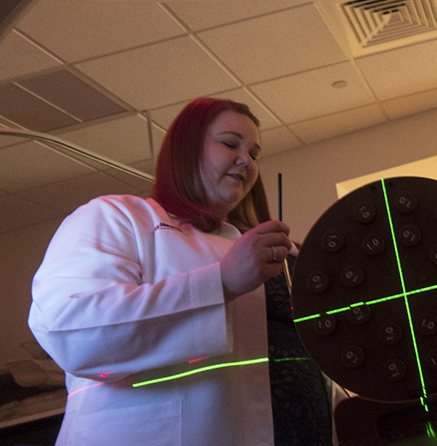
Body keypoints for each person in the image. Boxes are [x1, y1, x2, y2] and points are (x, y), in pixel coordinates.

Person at [27, 98, 330, 445]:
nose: (247, 160)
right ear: (186, 151)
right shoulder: (117, 217)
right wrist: (221, 283)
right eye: (230, 144)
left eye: (255, 153)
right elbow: (71, 330)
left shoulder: (263, 244)